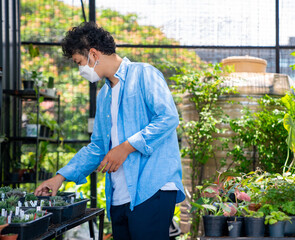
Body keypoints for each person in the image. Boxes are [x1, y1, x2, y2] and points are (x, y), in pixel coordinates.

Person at [35, 22, 185, 240]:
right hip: (119, 196)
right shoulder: (104, 96)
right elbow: (97, 147)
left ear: (93, 54)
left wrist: (126, 147)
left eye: (79, 62)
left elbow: (168, 117)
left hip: (152, 188)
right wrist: (59, 178)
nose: (80, 70)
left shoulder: (144, 74)